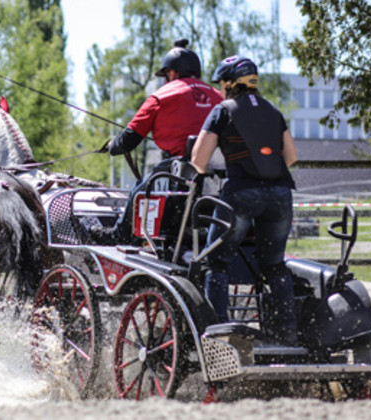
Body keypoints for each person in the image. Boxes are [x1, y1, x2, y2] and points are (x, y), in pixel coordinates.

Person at [190, 55, 298, 345]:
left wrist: (211, 170)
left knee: (217, 261)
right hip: (280, 194)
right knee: (274, 265)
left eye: (222, 83)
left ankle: (220, 335)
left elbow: (199, 159)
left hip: (240, 192)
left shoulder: (222, 111)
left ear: (229, 83)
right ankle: (286, 334)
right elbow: (291, 157)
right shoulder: (273, 111)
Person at [93, 38, 223, 244]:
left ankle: (119, 236)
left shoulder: (161, 96)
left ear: (173, 72)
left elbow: (128, 140)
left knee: (139, 189)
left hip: (180, 170)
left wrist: (112, 146)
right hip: (215, 176)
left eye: (165, 75)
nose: (165, 80)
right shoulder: (219, 97)